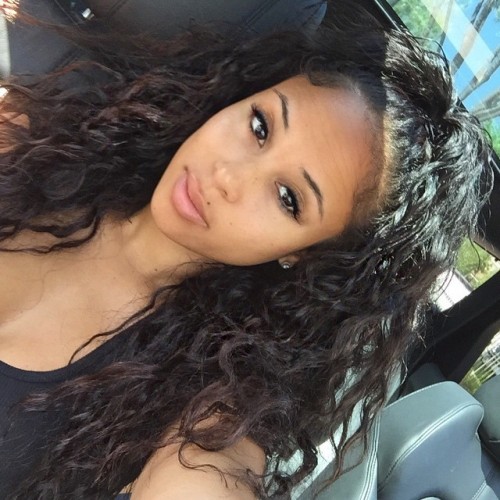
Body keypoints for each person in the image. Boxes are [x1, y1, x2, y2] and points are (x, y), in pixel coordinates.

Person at [0, 3, 492, 499]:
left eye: (288, 198)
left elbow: (213, 472)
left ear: (303, 255)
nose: (228, 176)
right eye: (260, 126)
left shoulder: (214, 391)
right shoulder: (44, 138)